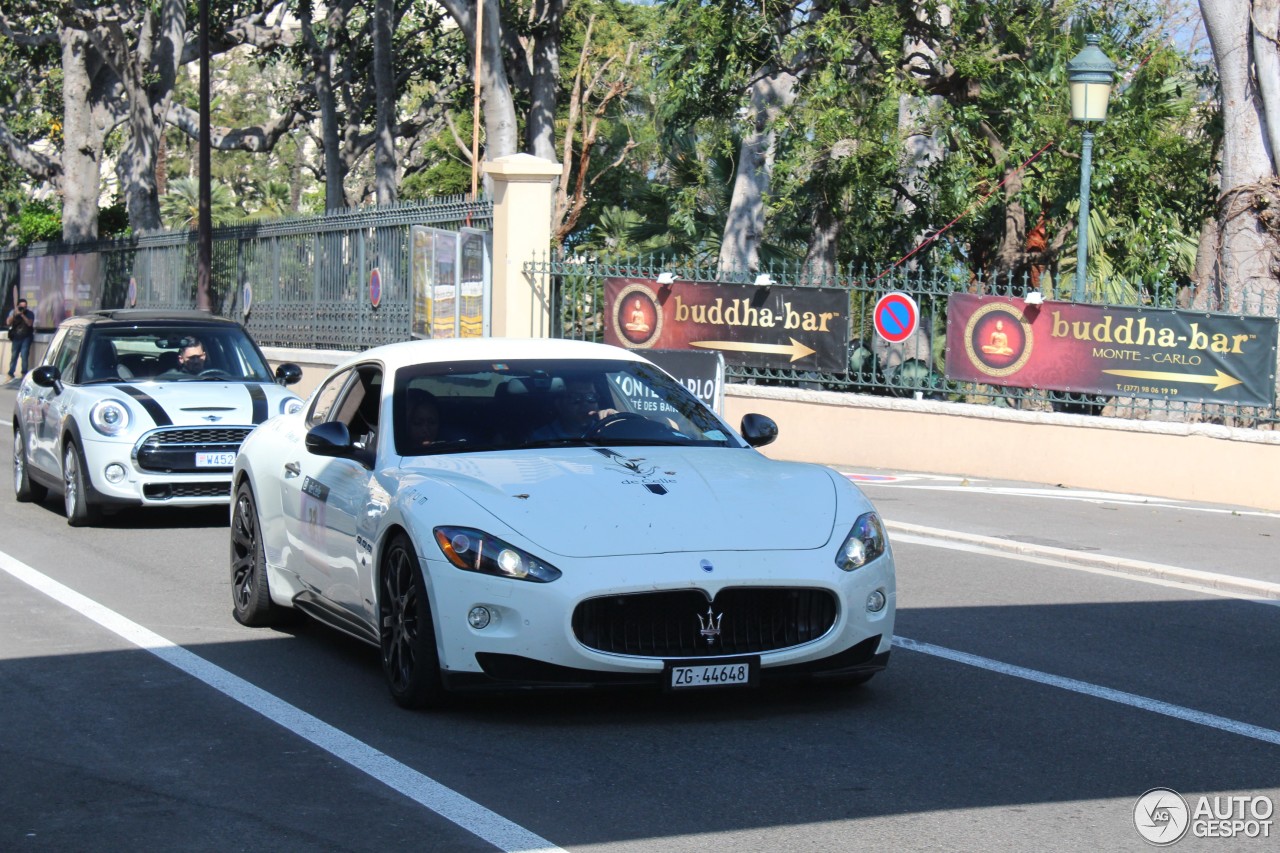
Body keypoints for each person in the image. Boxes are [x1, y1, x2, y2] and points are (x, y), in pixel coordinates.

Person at [527, 378, 615, 441]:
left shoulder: (606, 430)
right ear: (559, 404)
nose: (585, 403)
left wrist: (618, 423)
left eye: (591, 397)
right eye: (575, 398)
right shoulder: (541, 438)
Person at [6, 297, 35, 379]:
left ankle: (24, 372)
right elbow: (8, 322)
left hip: (26, 337)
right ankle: (11, 373)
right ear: (18, 306)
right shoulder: (13, 312)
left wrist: (22, 314)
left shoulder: (29, 313)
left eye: (25, 307)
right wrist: (15, 314)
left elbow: (29, 324)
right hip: (16, 337)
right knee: (14, 355)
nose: (23, 308)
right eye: (21, 306)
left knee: (24, 355)